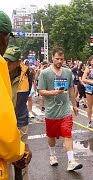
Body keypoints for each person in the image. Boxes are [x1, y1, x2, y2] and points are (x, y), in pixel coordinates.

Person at [38, 46, 82, 171]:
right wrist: (54, 92)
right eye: (57, 59)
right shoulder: (45, 73)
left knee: (67, 134)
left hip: (65, 110)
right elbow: (41, 91)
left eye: (61, 59)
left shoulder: (67, 72)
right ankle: (52, 154)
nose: (59, 61)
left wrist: (74, 105)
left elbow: (72, 89)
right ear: (52, 58)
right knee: (51, 136)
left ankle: (71, 161)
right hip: (51, 111)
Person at [0, 10, 31, 179]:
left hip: (20, 122)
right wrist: (19, 151)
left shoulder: (27, 73)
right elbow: (2, 119)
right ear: (3, 36)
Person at [4, 46, 33, 180]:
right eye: (5, 60)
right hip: (4, 123)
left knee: (23, 157)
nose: (7, 64)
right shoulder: (0, 73)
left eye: (11, 61)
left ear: (18, 61)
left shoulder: (27, 73)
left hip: (21, 121)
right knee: (5, 157)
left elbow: (27, 93)